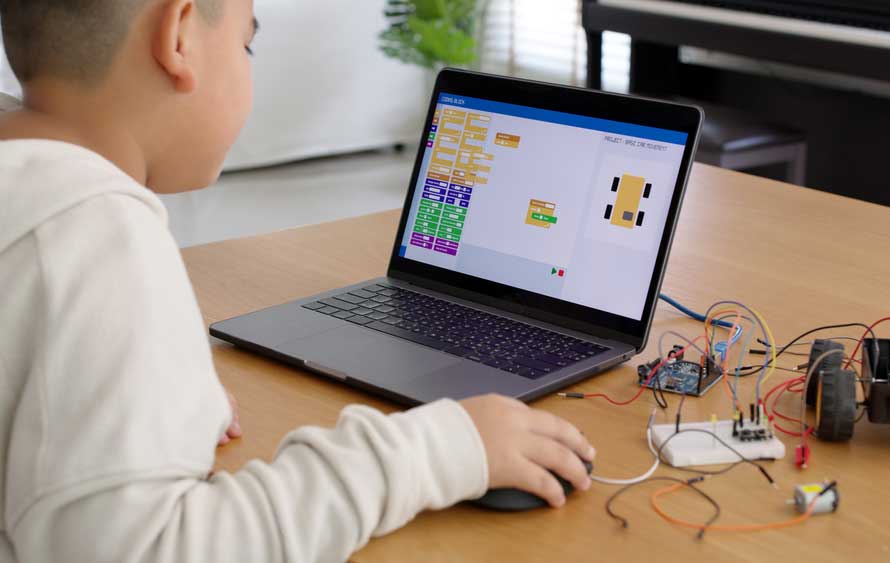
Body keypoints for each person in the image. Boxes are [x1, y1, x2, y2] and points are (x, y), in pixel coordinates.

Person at [0, 1, 595, 561]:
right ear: (179, 35)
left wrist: (161, 391)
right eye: (245, 44)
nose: (247, 64)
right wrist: (437, 451)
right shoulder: (96, 232)